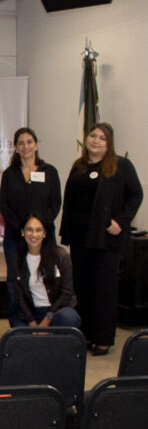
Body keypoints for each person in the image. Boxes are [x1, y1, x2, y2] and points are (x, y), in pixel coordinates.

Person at [60, 122, 142, 355]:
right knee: (82, 287)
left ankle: (103, 338)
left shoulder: (121, 166)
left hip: (105, 239)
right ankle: (85, 334)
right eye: (92, 135)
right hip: (80, 238)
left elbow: (136, 194)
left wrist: (121, 221)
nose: (95, 140)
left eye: (102, 138)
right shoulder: (79, 166)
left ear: (109, 144)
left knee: (104, 289)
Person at [0, 127, 61, 322]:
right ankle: (18, 322)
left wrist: (37, 229)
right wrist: (23, 230)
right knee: (14, 280)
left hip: (43, 237)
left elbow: (55, 203)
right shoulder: (10, 174)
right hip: (15, 237)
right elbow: (4, 205)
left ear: (36, 144)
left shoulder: (49, 171)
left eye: (29, 142)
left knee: (45, 278)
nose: (25, 146)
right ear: (16, 148)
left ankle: (46, 321)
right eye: (21, 143)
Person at [10, 214, 80, 329]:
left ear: (45, 233)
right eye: (29, 230)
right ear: (23, 232)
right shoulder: (17, 259)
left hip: (57, 311)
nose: (34, 234)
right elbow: (19, 296)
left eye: (38, 230)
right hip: (32, 312)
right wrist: (32, 322)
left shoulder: (61, 256)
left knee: (68, 318)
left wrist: (47, 320)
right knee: (17, 333)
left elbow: (67, 293)